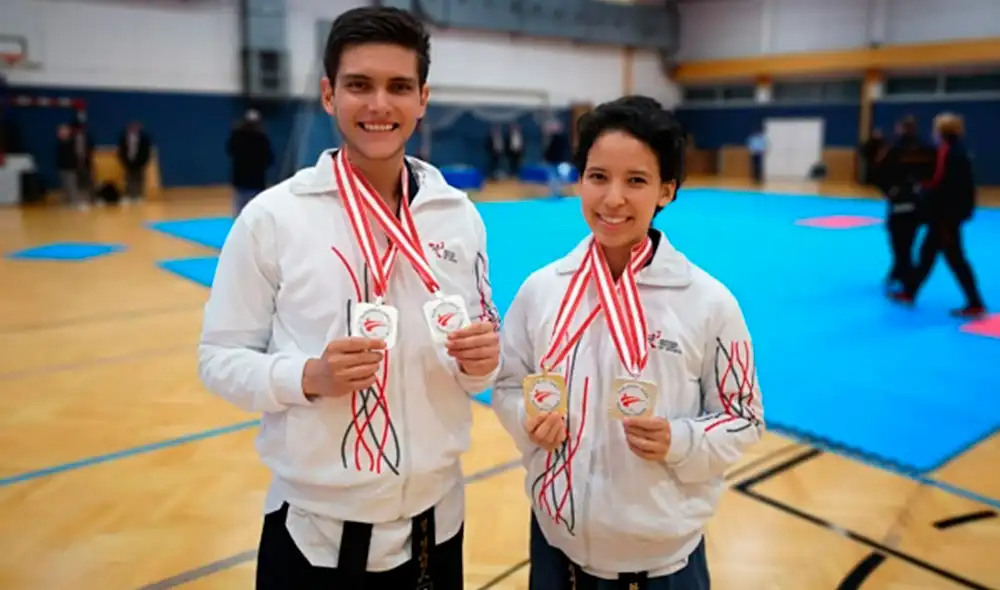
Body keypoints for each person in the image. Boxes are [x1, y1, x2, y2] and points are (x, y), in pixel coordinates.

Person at [198, 6, 501, 588]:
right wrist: (307, 376)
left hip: (437, 529)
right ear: (328, 94)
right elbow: (218, 359)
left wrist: (482, 361)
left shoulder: (458, 216)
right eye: (359, 85)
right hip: (315, 536)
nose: (379, 105)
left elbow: (477, 353)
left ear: (423, 98)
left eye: (399, 87)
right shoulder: (273, 218)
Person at [492, 95, 765, 589]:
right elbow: (508, 386)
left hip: (662, 562)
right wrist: (526, 420)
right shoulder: (542, 290)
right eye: (598, 177)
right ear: (579, 181)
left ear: (666, 190)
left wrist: (680, 440)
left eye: (635, 181)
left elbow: (744, 419)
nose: (613, 198)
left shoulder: (708, 303)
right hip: (558, 547)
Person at [889, 113, 986, 318]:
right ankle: (910, 292)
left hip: (945, 216)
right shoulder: (959, 151)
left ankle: (975, 302)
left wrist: (919, 188)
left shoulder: (947, 153)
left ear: (940, 131)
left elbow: (937, 183)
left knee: (955, 258)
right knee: (927, 255)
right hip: (947, 215)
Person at [875, 116, 935, 289]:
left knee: (897, 238)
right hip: (918, 200)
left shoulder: (894, 149)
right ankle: (899, 269)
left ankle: (903, 272)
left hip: (899, 200)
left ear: (900, 128)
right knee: (909, 238)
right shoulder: (927, 148)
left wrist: (889, 191)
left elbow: (879, 172)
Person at [225, 108, 274, 216]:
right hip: (256, 181)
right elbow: (269, 159)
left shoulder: (237, 136)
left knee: (239, 208)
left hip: (240, 179)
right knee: (255, 208)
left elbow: (230, 151)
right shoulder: (262, 139)